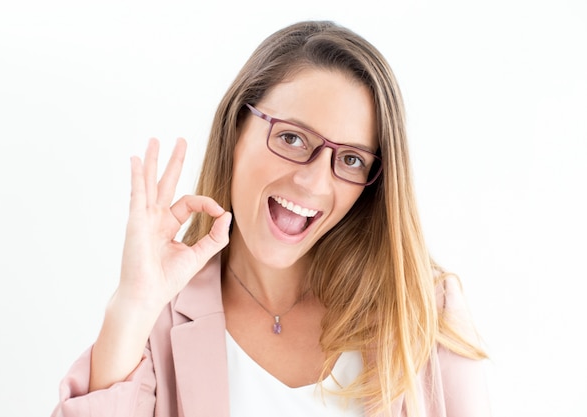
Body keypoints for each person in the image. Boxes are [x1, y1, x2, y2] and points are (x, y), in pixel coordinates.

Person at [51, 20, 490, 417]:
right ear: (236, 129)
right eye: (293, 137)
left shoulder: (424, 311)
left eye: (352, 160)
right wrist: (133, 306)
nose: (314, 182)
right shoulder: (157, 320)